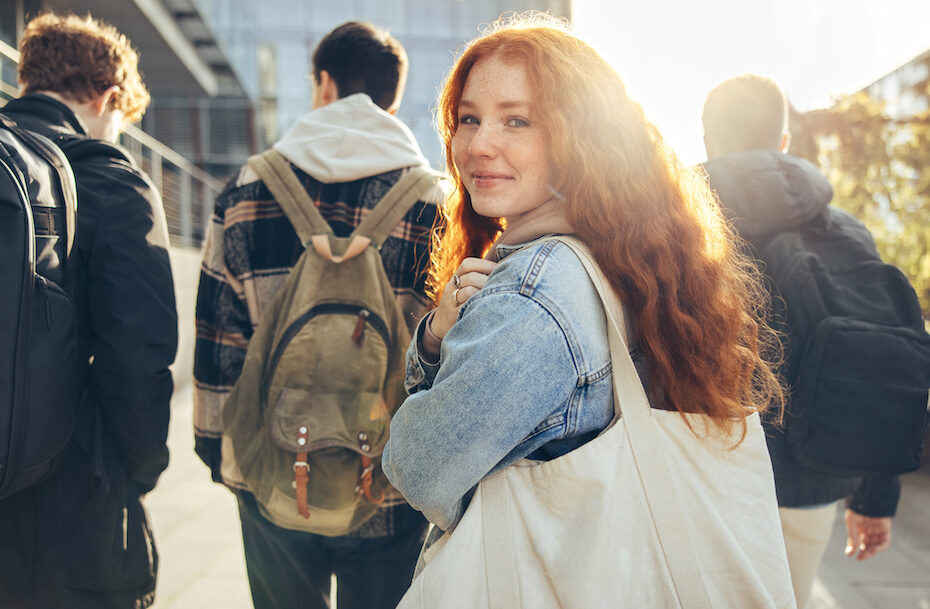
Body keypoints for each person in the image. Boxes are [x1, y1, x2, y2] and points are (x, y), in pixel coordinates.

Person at [381, 9, 784, 582]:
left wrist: (430, 347)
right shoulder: (624, 252)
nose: (478, 146)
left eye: (517, 121)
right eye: (468, 119)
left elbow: (418, 467)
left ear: (582, 136)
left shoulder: (533, 294)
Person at [193, 21, 443, 609]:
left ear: (323, 84)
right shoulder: (434, 201)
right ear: (392, 99)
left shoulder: (247, 190)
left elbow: (217, 338)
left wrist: (223, 458)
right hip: (386, 486)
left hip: (274, 473)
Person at [701, 74, 900, 608]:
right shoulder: (847, 231)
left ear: (707, 141)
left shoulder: (678, 227)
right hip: (813, 478)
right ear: (783, 144)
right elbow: (880, 360)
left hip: (702, 476)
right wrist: (876, 495)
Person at [0, 13, 178, 609]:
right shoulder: (111, 179)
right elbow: (140, 355)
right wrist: (135, 474)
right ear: (109, 98)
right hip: (76, 498)